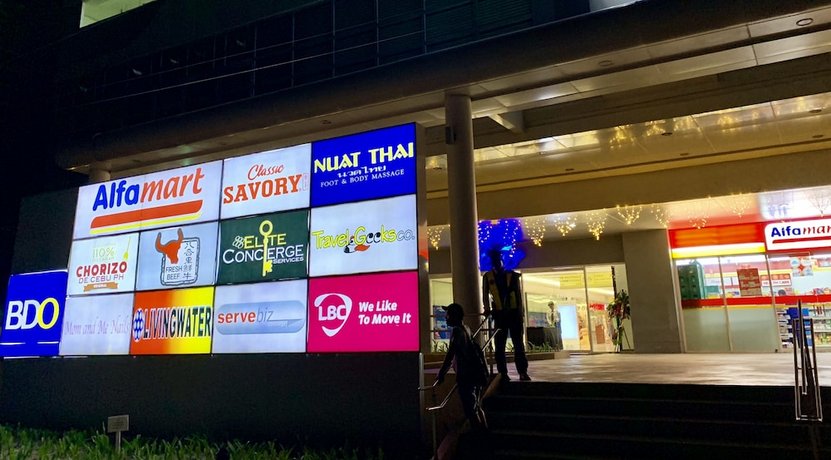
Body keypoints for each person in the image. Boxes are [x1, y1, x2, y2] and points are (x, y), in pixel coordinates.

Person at [436, 303, 488, 431]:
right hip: (475, 374)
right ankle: (484, 433)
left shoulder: (457, 332)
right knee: (476, 407)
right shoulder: (467, 329)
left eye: (448, 315)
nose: (446, 317)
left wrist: (441, 374)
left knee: (470, 410)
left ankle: (480, 436)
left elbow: (450, 355)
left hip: (466, 377)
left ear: (454, 316)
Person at [482, 249, 530, 381]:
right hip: (499, 314)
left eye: (498, 259)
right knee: (499, 346)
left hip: (514, 314)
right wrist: (487, 309)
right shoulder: (488, 277)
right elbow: (485, 295)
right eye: (494, 260)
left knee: (518, 344)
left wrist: (520, 313)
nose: (497, 262)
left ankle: (522, 371)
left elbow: (518, 296)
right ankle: (502, 373)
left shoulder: (512, 275)